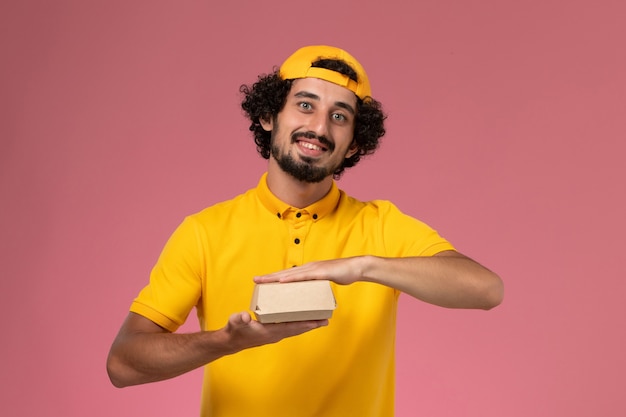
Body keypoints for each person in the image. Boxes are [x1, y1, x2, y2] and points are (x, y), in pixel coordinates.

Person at [106, 45, 503, 417]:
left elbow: (486, 289)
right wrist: (226, 342)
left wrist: (364, 266)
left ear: (353, 145)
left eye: (339, 116)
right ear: (268, 116)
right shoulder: (204, 232)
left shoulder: (382, 226)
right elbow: (123, 364)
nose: (318, 127)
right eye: (305, 105)